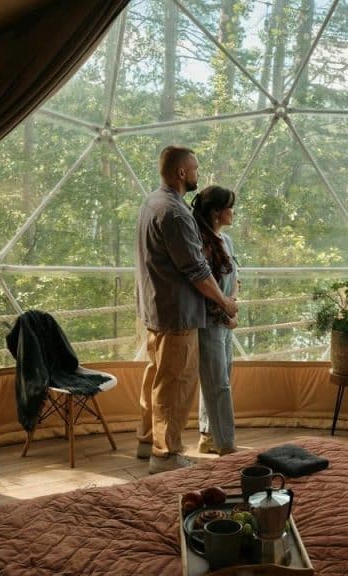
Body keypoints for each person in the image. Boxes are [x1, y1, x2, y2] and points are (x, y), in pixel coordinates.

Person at [135, 146, 238, 474]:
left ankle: (146, 440)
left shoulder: (154, 201)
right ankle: (164, 455)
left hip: (156, 309)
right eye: (194, 168)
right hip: (176, 313)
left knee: (157, 376)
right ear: (182, 173)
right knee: (174, 383)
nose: (197, 173)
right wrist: (224, 303)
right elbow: (196, 270)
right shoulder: (176, 213)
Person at [191, 185, 239, 456]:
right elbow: (204, 289)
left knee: (221, 379)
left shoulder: (227, 241)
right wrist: (226, 315)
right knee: (217, 383)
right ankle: (226, 445)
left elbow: (234, 279)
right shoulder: (201, 244)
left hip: (226, 319)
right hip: (211, 322)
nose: (233, 212)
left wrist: (233, 309)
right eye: (229, 206)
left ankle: (208, 435)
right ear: (215, 212)